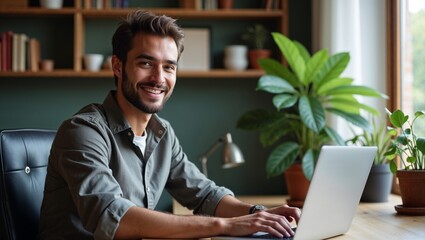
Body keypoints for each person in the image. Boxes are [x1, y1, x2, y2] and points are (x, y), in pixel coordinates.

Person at [38, 10, 301, 240]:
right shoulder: (83, 132)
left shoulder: (160, 133)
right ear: (118, 66)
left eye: (169, 67)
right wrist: (225, 226)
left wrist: (259, 214)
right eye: (145, 63)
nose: (158, 78)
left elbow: (205, 195)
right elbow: (114, 218)